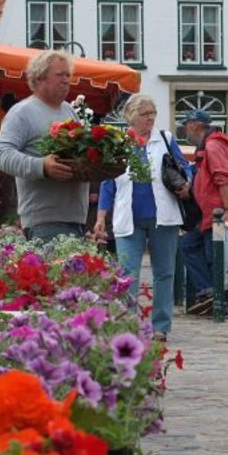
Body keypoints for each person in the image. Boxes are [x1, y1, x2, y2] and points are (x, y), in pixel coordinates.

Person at [94, 95, 189, 341]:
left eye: (152, 113)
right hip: (128, 217)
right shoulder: (119, 143)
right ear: (131, 117)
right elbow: (108, 182)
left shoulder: (165, 139)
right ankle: (128, 326)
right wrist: (101, 216)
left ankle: (160, 326)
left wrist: (186, 183)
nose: (150, 118)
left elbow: (183, 167)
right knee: (127, 274)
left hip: (163, 216)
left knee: (164, 273)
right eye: (145, 113)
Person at [0, 50, 86, 243]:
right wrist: (42, 166)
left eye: (68, 75)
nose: (66, 80)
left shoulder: (69, 110)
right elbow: (1, 155)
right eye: (60, 75)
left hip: (75, 218)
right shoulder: (22, 112)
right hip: (44, 221)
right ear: (40, 77)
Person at [180, 109, 228, 315]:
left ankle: (219, 299)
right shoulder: (209, 145)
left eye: (186, 126)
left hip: (216, 212)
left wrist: (227, 209)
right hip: (206, 212)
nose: (185, 131)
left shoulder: (212, 145)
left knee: (214, 256)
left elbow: (222, 177)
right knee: (190, 247)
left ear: (194, 125)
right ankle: (213, 292)